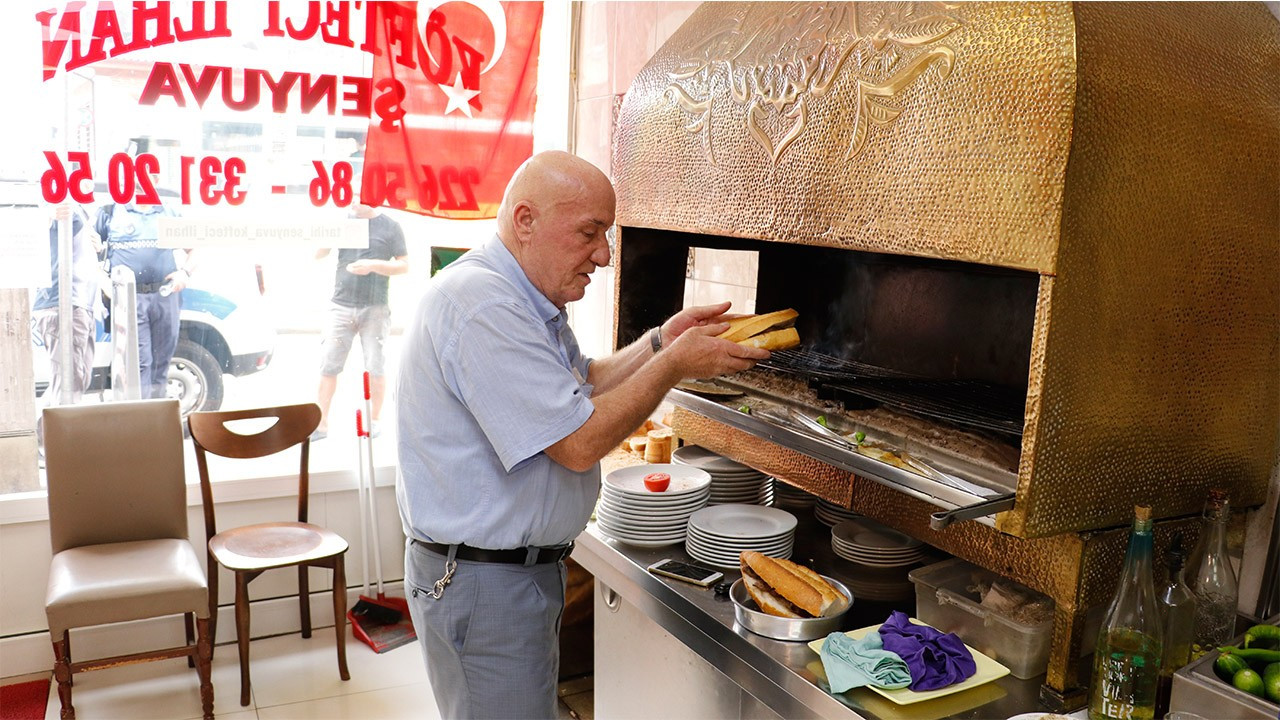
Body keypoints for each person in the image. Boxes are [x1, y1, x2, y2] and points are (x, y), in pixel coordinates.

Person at [395, 150, 769, 719]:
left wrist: (660, 343)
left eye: (608, 234)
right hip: (482, 583)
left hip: (510, 575)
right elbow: (577, 443)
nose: (604, 253)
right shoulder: (482, 306)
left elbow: (581, 384)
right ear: (525, 221)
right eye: (589, 233)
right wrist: (674, 368)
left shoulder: (525, 298)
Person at [311, 202, 408, 440]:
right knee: (329, 365)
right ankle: (320, 423)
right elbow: (318, 254)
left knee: (376, 365)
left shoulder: (390, 226)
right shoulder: (344, 222)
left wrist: (373, 266)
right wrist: (330, 232)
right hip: (340, 304)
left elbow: (404, 264)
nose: (354, 201)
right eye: (350, 196)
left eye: (359, 196)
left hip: (375, 307)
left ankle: (373, 421)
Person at [98, 192, 194, 400]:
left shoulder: (168, 213)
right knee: (140, 362)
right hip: (130, 298)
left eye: (153, 171)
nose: (147, 177)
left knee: (161, 362)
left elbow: (197, 246)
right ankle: (142, 419)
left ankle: (157, 416)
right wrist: (102, 281)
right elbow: (84, 247)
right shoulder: (112, 211)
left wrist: (185, 273)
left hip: (165, 294)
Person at [33, 204, 102, 444]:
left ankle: (44, 436)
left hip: (80, 303)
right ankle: (51, 442)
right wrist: (49, 215)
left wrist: (98, 248)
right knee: (68, 382)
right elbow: (38, 224)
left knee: (74, 380)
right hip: (63, 304)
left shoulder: (81, 209)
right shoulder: (58, 203)